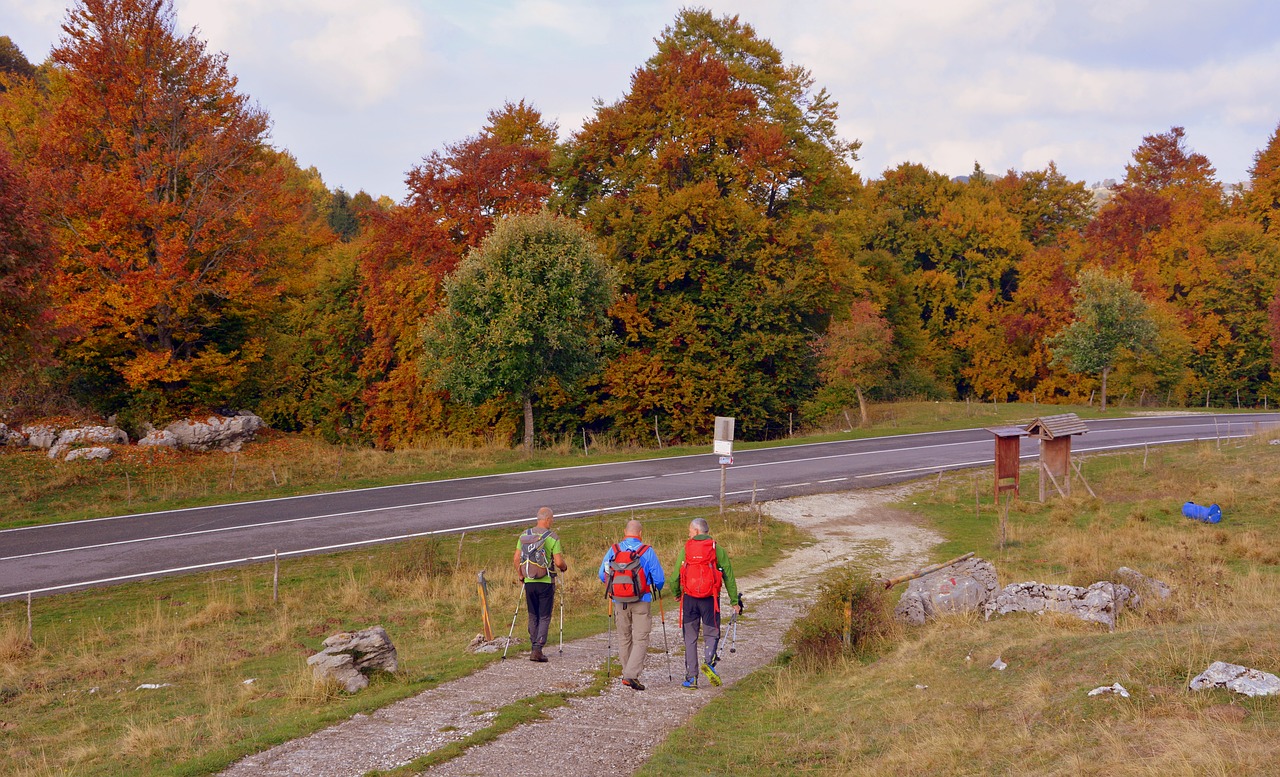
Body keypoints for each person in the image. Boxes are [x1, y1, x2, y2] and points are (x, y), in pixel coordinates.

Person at [670, 517, 741, 688]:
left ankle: (691, 677)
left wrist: (677, 593)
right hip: (710, 599)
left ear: (696, 531)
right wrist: (734, 601)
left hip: (690, 599)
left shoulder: (686, 548)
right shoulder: (718, 549)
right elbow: (728, 576)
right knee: (711, 633)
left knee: (690, 638)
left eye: (689, 530)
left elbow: (674, 577)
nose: (688, 533)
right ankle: (709, 661)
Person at [598, 519, 666, 691]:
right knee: (641, 638)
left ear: (624, 532)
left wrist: (615, 588)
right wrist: (655, 588)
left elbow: (602, 574)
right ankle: (630, 675)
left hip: (619, 601)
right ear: (640, 534)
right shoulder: (647, 551)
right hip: (642, 600)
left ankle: (628, 673)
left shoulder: (614, 550)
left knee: (624, 637)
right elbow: (659, 579)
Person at [513, 506, 567, 662]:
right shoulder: (552, 537)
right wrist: (564, 567)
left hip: (529, 580)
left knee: (532, 614)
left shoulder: (524, 535)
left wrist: (520, 575)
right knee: (544, 616)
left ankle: (533, 645)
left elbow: (517, 559)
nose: (552, 522)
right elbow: (558, 561)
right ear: (548, 519)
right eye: (552, 519)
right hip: (545, 581)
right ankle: (538, 649)